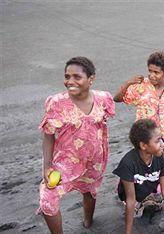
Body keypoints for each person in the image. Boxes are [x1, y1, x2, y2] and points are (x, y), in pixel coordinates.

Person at [38, 57, 115, 233]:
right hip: (66, 161)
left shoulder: (103, 99)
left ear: (91, 79)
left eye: (76, 77)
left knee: (89, 191)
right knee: (47, 198)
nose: (70, 81)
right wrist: (47, 166)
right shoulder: (57, 102)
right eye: (67, 76)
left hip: (94, 159)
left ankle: (88, 220)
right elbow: (48, 135)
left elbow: (101, 126)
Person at [113, 119, 164, 234]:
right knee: (134, 206)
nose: (163, 144)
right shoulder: (128, 163)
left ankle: (150, 197)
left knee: (161, 196)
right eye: (157, 141)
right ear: (143, 145)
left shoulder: (160, 157)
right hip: (131, 191)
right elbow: (130, 199)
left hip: (150, 185)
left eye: (161, 139)